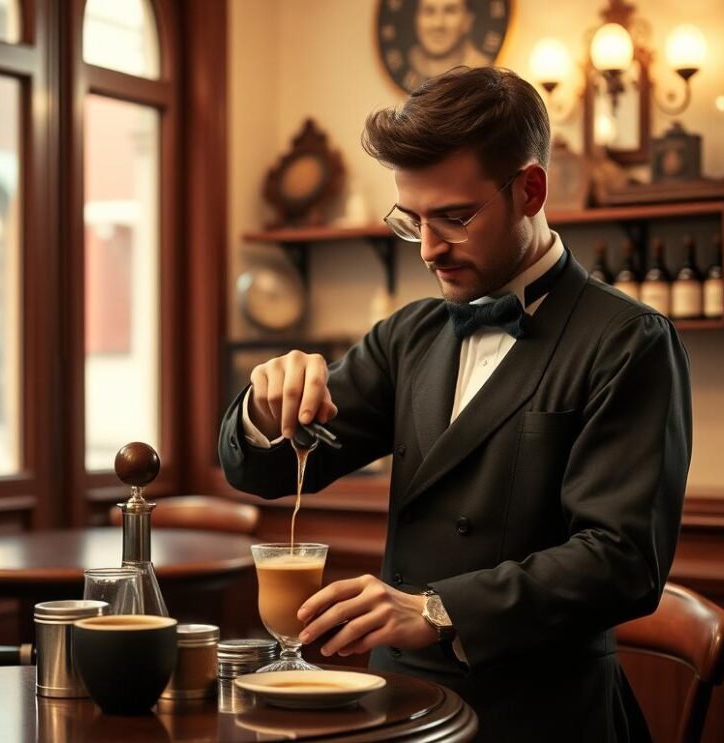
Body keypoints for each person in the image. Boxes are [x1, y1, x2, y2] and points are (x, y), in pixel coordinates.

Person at [219, 66, 691, 742]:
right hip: (392, 704)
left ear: (530, 189)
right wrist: (267, 407)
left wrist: (439, 609)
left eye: (455, 217)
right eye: (412, 222)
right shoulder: (408, 334)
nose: (431, 249)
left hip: (543, 717)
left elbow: (621, 561)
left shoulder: (629, 342)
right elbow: (264, 472)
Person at [404, 0, 491, 90]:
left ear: (468, 20)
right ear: (416, 18)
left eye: (450, 11)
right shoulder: (410, 59)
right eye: (429, 11)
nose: (438, 24)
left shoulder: (482, 70)